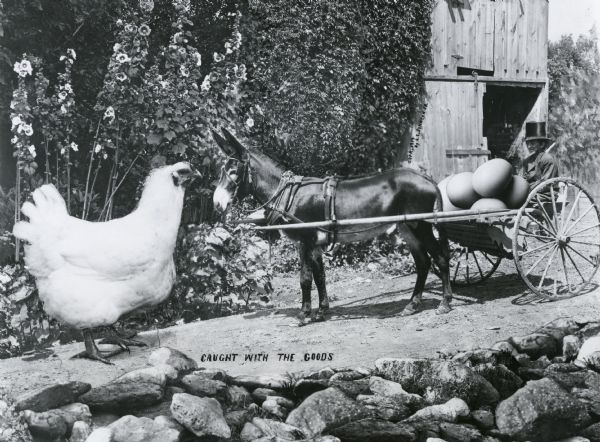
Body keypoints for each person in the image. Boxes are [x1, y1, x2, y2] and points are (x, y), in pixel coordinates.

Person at [522, 121, 559, 188]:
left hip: (545, 194)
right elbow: (524, 179)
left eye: (532, 143)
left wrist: (527, 189)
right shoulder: (527, 161)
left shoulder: (548, 160)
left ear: (542, 144)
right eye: (527, 143)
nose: (529, 146)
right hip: (530, 193)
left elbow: (546, 183)